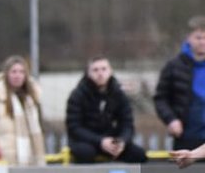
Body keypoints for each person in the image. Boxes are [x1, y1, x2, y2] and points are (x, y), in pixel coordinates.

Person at [64, 56, 147, 164]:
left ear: (110, 71)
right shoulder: (78, 95)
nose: (100, 73)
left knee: (139, 155)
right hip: (86, 141)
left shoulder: (118, 93)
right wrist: (100, 141)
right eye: (95, 70)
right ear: (88, 73)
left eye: (104, 69)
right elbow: (74, 127)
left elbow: (127, 123)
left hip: (111, 139)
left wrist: (122, 141)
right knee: (85, 153)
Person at [0, 55, 47, 166]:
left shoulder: (33, 100)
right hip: (1, 161)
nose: (18, 76)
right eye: (14, 72)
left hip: (29, 160)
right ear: (6, 74)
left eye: (21, 72)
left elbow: (41, 128)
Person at [154, 15, 205, 153]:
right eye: (199, 37)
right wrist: (171, 120)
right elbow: (160, 98)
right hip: (186, 137)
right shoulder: (174, 66)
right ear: (188, 38)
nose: (202, 42)